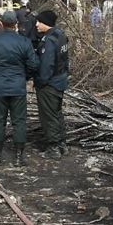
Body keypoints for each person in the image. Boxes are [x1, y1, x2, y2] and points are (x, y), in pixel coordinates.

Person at [0, 11, 39, 166]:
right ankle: (19, 157)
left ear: (2, 23)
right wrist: (24, 77)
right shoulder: (24, 42)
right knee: (19, 121)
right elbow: (34, 64)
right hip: (18, 87)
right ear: (16, 23)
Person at [32, 10, 70, 158]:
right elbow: (66, 60)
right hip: (60, 80)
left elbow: (46, 66)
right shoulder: (61, 35)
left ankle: (53, 148)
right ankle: (62, 144)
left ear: (45, 23)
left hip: (50, 84)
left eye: (38, 22)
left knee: (48, 115)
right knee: (57, 114)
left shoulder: (48, 40)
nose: (36, 25)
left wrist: (40, 82)